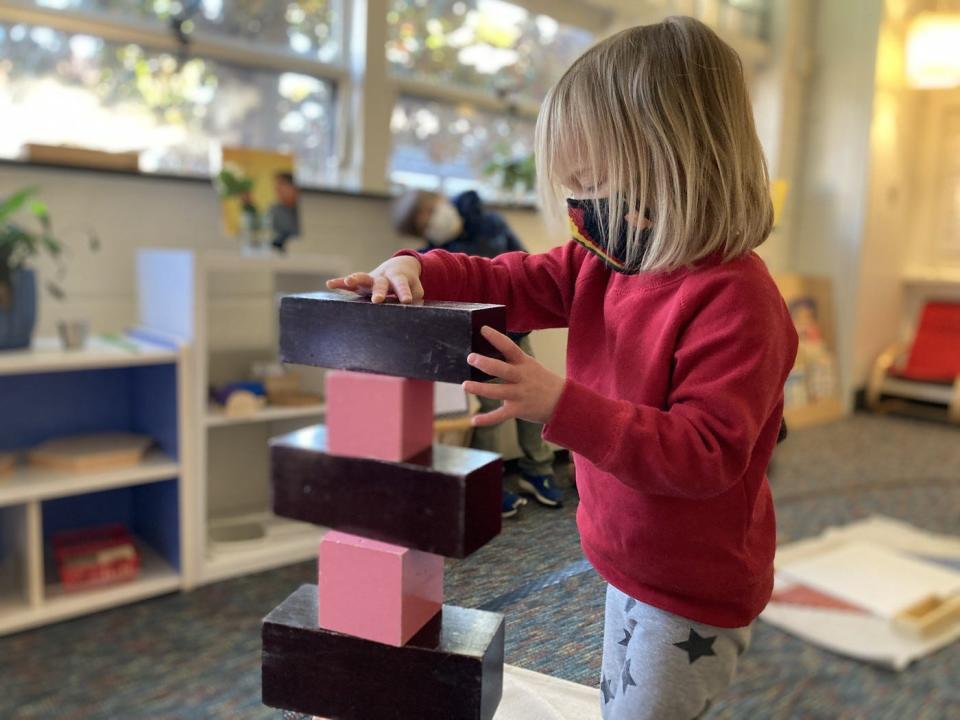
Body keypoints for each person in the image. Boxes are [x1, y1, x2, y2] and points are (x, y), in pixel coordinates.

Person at [329, 17, 797, 719]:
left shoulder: (739, 303)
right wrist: (415, 266)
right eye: (572, 184)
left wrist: (559, 404)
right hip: (626, 558)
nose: (581, 208)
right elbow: (508, 277)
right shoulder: (601, 258)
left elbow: (704, 455)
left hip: (694, 589)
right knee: (622, 699)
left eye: (596, 182)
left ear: (678, 163)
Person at [391, 188, 563, 518]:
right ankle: (489, 482)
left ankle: (538, 469)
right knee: (490, 412)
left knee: (533, 403)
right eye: (423, 218)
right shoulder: (430, 255)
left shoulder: (489, 225)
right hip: (476, 341)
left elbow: (523, 269)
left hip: (515, 332)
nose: (433, 217)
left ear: (441, 198)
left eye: (431, 208)